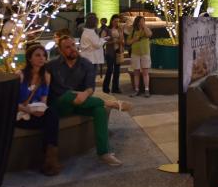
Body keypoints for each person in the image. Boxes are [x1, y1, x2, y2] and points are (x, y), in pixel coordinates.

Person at [47, 35, 131, 166]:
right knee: (67, 95)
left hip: (82, 102)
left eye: (73, 45)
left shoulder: (85, 64)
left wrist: (85, 94)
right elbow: (58, 90)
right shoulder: (52, 65)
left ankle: (104, 153)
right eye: (67, 47)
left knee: (99, 110)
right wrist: (77, 95)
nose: (72, 49)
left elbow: (90, 87)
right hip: (60, 105)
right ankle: (110, 103)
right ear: (60, 50)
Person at [16, 44, 61, 176]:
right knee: (51, 122)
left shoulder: (46, 76)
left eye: (44, 55)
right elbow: (12, 102)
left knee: (51, 114)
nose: (42, 58)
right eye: (37, 55)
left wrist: (41, 110)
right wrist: (29, 111)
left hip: (36, 113)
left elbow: (43, 101)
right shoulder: (20, 75)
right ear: (29, 58)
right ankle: (50, 161)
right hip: (22, 114)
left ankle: (50, 159)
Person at [127, 15, 152, 97]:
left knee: (145, 72)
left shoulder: (146, 29)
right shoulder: (133, 30)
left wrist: (144, 27)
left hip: (145, 53)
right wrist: (134, 39)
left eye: (143, 21)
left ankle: (147, 90)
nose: (142, 22)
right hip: (135, 53)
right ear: (137, 22)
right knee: (136, 72)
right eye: (140, 21)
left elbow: (149, 35)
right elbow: (128, 42)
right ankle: (136, 90)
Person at [79, 13, 106, 78]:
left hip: (89, 57)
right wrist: (103, 39)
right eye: (97, 23)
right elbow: (97, 45)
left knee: (89, 77)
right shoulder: (90, 32)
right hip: (91, 58)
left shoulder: (87, 31)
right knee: (91, 78)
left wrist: (102, 39)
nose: (97, 24)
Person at [102, 14, 124, 94]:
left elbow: (122, 40)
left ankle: (115, 88)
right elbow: (103, 41)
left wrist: (121, 38)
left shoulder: (119, 29)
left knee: (117, 70)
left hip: (118, 51)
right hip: (109, 52)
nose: (116, 23)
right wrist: (113, 42)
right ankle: (105, 88)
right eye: (115, 21)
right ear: (111, 21)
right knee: (110, 70)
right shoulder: (107, 30)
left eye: (118, 21)